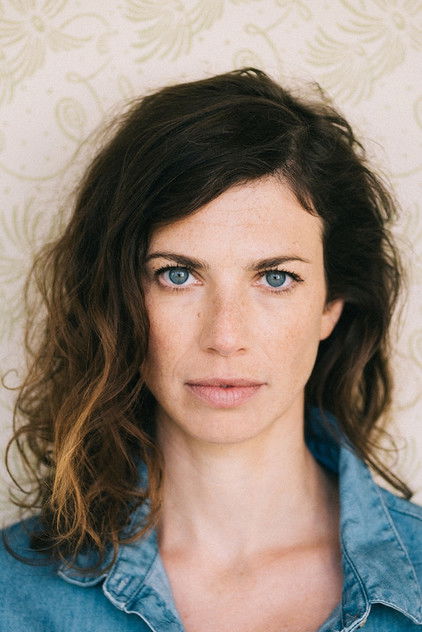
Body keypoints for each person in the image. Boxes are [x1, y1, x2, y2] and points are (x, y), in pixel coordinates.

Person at [0, 67, 421, 632]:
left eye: (275, 278)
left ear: (331, 304)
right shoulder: (13, 594)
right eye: (177, 275)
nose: (224, 337)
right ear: (118, 298)